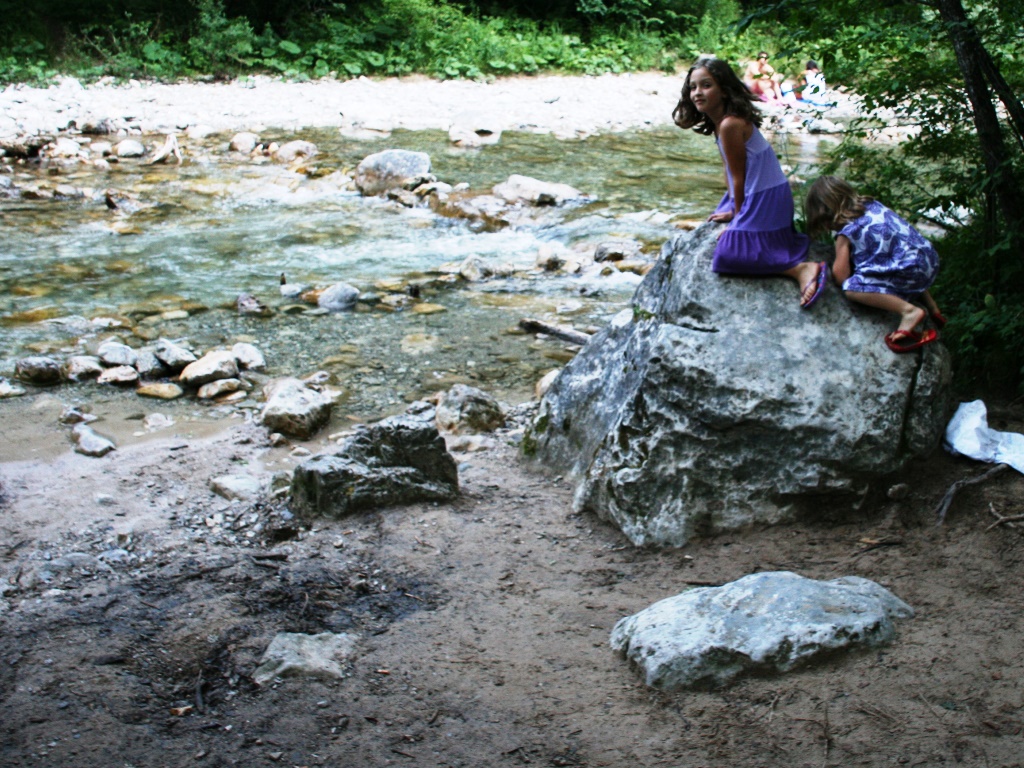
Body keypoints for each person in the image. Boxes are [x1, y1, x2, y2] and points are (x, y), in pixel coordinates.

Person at [673, 55, 825, 307]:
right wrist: (731, 207)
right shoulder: (720, 122)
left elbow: (738, 176)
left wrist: (737, 213)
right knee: (724, 230)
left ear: (724, 89)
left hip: (767, 197)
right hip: (758, 191)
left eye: (706, 85)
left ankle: (800, 269)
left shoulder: (731, 124)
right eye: (693, 87)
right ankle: (745, 222)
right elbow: (729, 168)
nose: (697, 92)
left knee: (726, 256)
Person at [805, 175, 946, 353]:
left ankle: (909, 311)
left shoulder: (847, 231)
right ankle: (933, 307)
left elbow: (841, 278)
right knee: (900, 259)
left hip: (910, 271)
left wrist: (840, 244)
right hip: (928, 260)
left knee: (852, 288)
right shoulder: (872, 205)